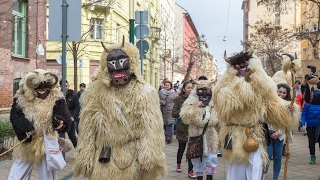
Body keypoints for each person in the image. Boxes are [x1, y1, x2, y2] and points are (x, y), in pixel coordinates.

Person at [74, 39, 166, 179]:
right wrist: (85, 158)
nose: (117, 67)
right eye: (111, 63)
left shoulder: (146, 93)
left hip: (132, 158)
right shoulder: (94, 93)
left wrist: (147, 157)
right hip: (104, 158)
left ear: (132, 62)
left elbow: (151, 130)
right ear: (106, 66)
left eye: (122, 61)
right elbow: (87, 130)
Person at [212, 45, 300, 180]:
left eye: (245, 66)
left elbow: (272, 107)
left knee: (256, 169)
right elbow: (225, 106)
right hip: (235, 134)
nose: (242, 70)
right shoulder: (224, 88)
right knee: (236, 172)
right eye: (238, 67)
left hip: (255, 134)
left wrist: (287, 110)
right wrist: (246, 89)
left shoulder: (262, 87)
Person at [8, 69, 72, 180]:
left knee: (48, 174)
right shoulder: (21, 99)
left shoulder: (56, 96)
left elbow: (62, 112)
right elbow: (16, 116)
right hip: (27, 143)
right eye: (38, 87)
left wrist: (60, 121)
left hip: (46, 142)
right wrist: (25, 129)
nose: (42, 90)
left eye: (45, 87)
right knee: (17, 173)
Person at [180, 79, 219, 180]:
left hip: (210, 136)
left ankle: (210, 177)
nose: (204, 93)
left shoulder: (214, 102)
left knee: (211, 158)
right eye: (201, 90)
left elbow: (218, 117)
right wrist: (196, 107)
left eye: (207, 90)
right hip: (196, 135)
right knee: (197, 159)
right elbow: (185, 116)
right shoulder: (191, 101)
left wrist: (209, 121)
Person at [263, 83, 292, 180]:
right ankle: (264, 174)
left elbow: (288, 122)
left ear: (287, 94)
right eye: (280, 91)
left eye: (284, 93)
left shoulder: (289, 105)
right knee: (268, 155)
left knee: (278, 157)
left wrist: (279, 132)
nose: (281, 94)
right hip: (268, 133)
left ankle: (275, 177)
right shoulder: (269, 102)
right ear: (276, 91)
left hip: (280, 134)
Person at [172, 81, 196, 179]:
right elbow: (174, 114)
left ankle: (190, 170)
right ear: (183, 89)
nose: (190, 89)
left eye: (192, 88)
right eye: (188, 88)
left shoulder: (195, 99)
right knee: (181, 148)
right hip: (182, 128)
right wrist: (184, 109)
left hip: (192, 128)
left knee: (191, 151)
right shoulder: (179, 99)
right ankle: (178, 164)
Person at [301, 76, 320, 165]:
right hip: (310, 127)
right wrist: (302, 124)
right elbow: (303, 115)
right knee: (311, 143)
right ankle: (312, 156)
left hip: (318, 128)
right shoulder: (307, 104)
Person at [59, 80, 79, 148]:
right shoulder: (58, 95)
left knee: (72, 137)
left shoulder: (74, 95)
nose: (65, 88)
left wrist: (73, 117)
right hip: (61, 120)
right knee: (59, 137)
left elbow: (77, 107)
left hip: (70, 120)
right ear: (60, 86)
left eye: (66, 86)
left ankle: (78, 152)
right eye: (63, 86)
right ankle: (59, 154)